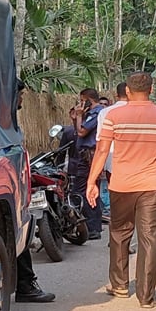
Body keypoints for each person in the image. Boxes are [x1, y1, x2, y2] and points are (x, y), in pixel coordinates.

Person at [86, 72, 156, 308]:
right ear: (151, 89)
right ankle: (146, 297)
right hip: (152, 185)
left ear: (127, 91)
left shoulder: (113, 116)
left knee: (119, 234)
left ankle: (119, 285)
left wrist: (92, 181)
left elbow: (101, 151)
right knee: (149, 239)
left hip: (121, 184)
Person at [13, 80, 55, 302]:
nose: (21, 99)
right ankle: (25, 284)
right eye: (19, 95)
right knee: (18, 235)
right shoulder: (1, 125)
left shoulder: (3, 122)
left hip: (14, 185)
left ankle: (24, 283)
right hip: (10, 188)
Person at [70, 88, 104, 240]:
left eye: (82, 100)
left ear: (89, 100)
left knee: (84, 191)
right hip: (86, 156)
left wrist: (78, 116)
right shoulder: (92, 113)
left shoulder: (96, 113)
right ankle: (93, 226)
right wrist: (76, 118)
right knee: (89, 190)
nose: (81, 104)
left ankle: (92, 227)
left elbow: (82, 132)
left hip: (88, 157)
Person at [96, 83, 128, 217]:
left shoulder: (105, 112)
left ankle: (118, 215)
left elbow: (100, 143)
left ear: (116, 96)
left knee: (115, 191)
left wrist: (98, 167)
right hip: (136, 160)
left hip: (111, 159)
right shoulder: (142, 111)